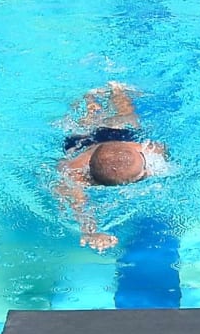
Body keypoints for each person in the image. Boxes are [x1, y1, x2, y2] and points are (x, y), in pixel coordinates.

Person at [54, 83, 166, 251]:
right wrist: (90, 233)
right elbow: (79, 209)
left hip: (90, 144)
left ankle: (95, 96)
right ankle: (113, 90)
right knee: (125, 117)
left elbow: (159, 148)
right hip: (90, 144)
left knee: (117, 118)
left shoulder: (75, 170)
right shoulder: (76, 174)